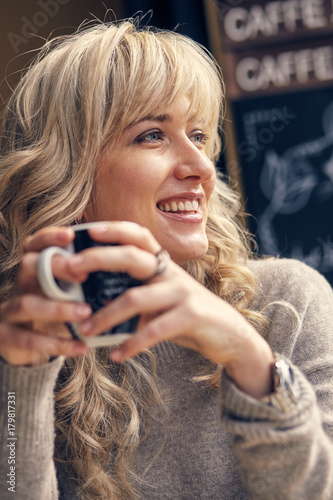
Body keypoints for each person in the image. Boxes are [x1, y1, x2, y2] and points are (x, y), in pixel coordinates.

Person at [0, 18, 332, 500]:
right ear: (69, 172)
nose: (200, 167)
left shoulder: (287, 302)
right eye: (152, 135)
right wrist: (21, 386)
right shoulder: (18, 334)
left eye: (198, 135)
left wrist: (248, 357)